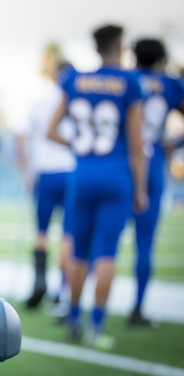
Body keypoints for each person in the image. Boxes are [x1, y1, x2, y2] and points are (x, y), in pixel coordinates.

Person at [47, 25, 148, 349]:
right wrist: (142, 188)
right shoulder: (130, 82)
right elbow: (136, 143)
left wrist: (77, 145)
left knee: (78, 250)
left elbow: (52, 130)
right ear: (121, 46)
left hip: (82, 171)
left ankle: (74, 318)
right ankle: (97, 327)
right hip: (116, 172)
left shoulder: (74, 79)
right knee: (106, 251)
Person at [17, 48, 77, 309]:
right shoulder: (76, 101)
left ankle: (39, 281)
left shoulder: (40, 103)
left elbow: (21, 137)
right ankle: (62, 293)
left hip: (46, 173)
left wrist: (26, 170)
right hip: (71, 172)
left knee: (41, 231)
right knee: (69, 234)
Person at [130, 39, 184, 326]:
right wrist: (174, 142)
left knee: (98, 244)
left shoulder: (127, 79)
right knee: (144, 244)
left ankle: (74, 307)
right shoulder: (172, 84)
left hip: (122, 163)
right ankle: (137, 308)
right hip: (152, 165)